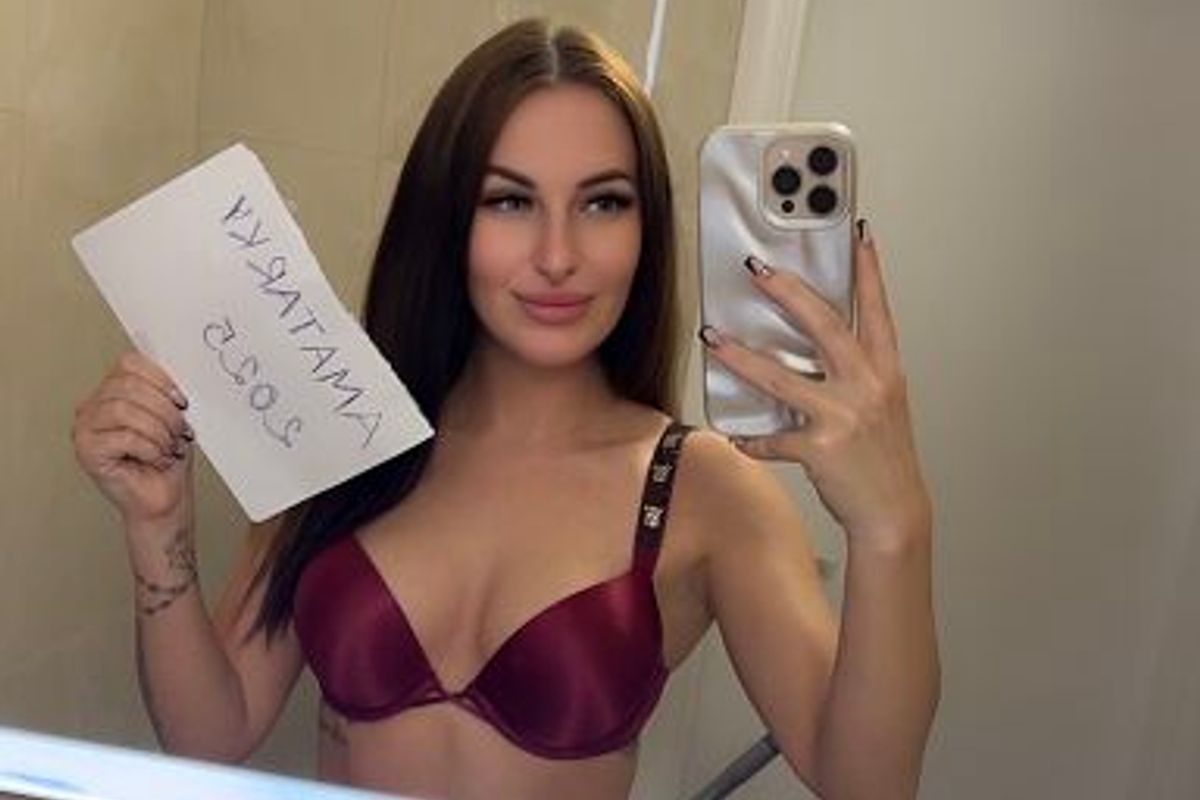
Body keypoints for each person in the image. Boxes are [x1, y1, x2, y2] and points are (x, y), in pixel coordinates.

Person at [72, 18, 938, 800]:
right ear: (447, 219)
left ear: (646, 230)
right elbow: (211, 732)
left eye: (603, 202)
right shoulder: (346, 431)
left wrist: (892, 525)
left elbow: (869, 783)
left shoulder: (702, 492)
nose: (558, 255)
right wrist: (157, 525)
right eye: (510, 201)